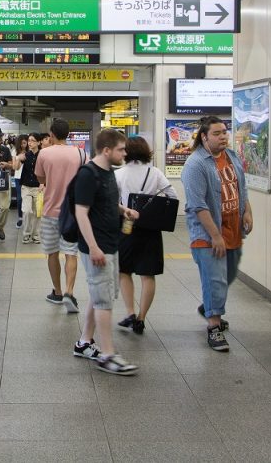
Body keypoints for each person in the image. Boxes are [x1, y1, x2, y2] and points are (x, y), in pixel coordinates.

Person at [73, 128, 141, 375]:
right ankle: (108, 355)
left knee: (100, 293)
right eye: (121, 149)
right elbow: (81, 212)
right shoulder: (88, 174)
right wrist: (93, 247)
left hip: (110, 243)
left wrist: (123, 211)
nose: (125, 153)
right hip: (97, 246)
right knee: (103, 299)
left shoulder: (109, 172)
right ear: (106, 150)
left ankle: (84, 342)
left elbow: (106, 202)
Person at [182, 116, 253, 352]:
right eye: (217, 133)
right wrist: (215, 236)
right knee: (215, 279)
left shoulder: (231, 157)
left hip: (232, 229)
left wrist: (246, 212)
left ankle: (211, 306)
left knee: (228, 275)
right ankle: (214, 326)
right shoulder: (196, 164)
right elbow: (197, 205)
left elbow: (242, 187)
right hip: (208, 233)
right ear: (204, 137)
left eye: (224, 132)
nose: (223, 136)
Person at [115, 135, 176, 335]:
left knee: (124, 271)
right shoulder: (155, 172)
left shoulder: (119, 174)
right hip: (150, 228)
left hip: (127, 226)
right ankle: (141, 318)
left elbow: (112, 202)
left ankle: (130, 313)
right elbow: (172, 196)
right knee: (147, 274)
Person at [35, 118, 86, 312]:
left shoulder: (44, 153)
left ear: (52, 134)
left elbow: (41, 178)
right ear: (69, 134)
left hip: (50, 210)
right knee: (71, 252)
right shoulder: (81, 153)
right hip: (72, 211)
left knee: (52, 253)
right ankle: (69, 292)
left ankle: (56, 292)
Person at [16, 133, 43, 245]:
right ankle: (26, 234)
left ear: (38, 142)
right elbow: (16, 168)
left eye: (32, 140)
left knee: (37, 213)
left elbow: (47, 170)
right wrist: (17, 158)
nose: (30, 142)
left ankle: (36, 235)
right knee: (27, 211)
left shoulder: (43, 155)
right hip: (26, 187)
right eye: (29, 140)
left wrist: (43, 183)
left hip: (38, 187)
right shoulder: (25, 155)